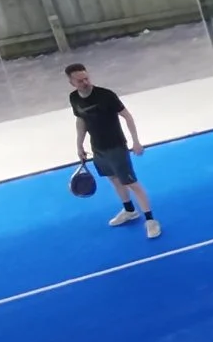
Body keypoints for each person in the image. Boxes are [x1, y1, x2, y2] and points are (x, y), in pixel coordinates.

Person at [68, 64, 159, 238]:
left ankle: (150, 220)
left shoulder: (106, 95)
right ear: (72, 82)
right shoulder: (74, 98)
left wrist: (136, 141)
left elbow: (127, 116)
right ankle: (129, 211)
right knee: (114, 180)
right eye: (80, 80)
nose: (85, 82)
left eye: (87, 78)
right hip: (98, 148)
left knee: (132, 184)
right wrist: (79, 145)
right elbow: (81, 121)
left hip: (116, 146)